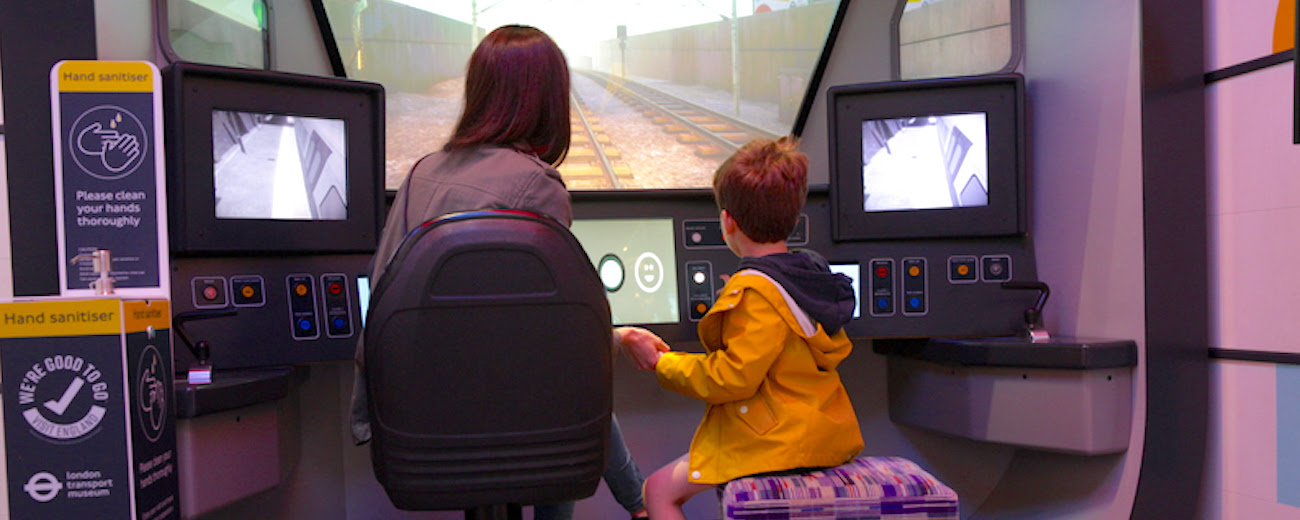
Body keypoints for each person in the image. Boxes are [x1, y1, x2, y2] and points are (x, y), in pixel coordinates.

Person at [349, 24, 648, 520]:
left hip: (413, 412)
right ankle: (641, 506)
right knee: (573, 386)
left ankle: (640, 505)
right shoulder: (537, 185)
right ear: (548, 100)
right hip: (507, 413)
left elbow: (385, 297)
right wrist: (614, 339)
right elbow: (548, 338)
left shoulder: (422, 170)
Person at [624, 137, 864, 520]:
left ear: (727, 221)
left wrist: (664, 364)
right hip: (824, 435)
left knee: (657, 490)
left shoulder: (753, 291)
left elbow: (731, 379)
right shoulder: (812, 274)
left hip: (774, 442)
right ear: (793, 217)